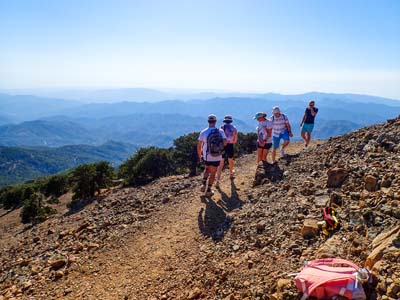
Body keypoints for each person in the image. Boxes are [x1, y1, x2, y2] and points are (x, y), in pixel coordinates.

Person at [197, 114, 227, 196]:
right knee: (213, 173)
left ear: (208, 122)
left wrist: (200, 156)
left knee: (207, 169)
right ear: (215, 121)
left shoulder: (203, 132)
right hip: (217, 155)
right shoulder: (220, 131)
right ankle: (209, 190)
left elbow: (199, 145)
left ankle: (203, 184)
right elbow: (225, 142)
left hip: (207, 155)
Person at [216, 115, 238, 187]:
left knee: (221, 163)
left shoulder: (221, 128)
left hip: (222, 146)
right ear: (231, 121)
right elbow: (235, 140)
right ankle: (231, 173)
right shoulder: (234, 128)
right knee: (230, 160)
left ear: (224, 121)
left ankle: (218, 180)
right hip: (230, 146)